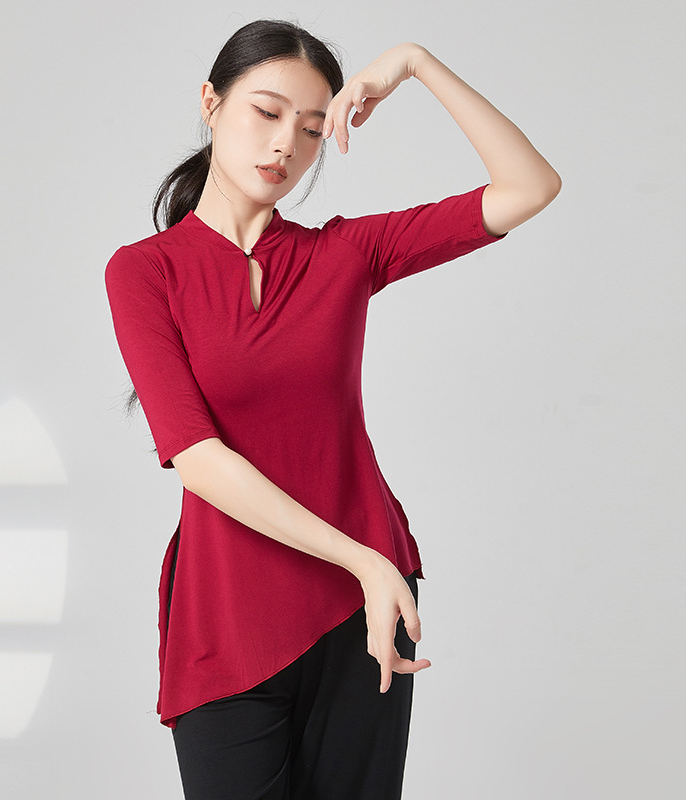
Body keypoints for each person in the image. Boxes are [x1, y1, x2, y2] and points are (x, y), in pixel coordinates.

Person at [105, 18, 560, 800]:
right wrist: (363, 560)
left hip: (363, 612)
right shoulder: (147, 273)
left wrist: (416, 63)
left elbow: (530, 187)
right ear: (211, 103)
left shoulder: (343, 254)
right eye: (267, 112)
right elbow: (198, 458)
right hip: (231, 613)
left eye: (313, 128)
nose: (287, 143)